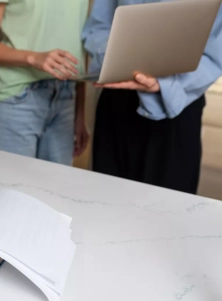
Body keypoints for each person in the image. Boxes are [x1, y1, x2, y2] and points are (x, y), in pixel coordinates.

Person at [82, 0, 222, 194]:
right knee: (106, 202)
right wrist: (123, 56)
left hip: (176, 106)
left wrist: (165, 84)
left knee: (168, 209)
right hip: (117, 97)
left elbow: (216, 48)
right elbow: (98, 27)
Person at [0, 0, 90, 165]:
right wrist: (33, 57)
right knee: (11, 187)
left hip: (66, 98)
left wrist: (80, 113)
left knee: (56, 188)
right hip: (17, 99)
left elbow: (79, 46)